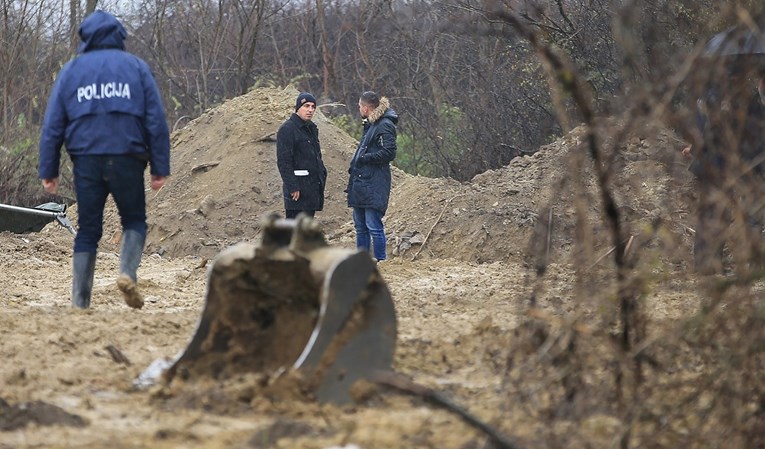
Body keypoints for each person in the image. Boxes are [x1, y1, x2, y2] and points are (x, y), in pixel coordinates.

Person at [38, 10, 170, 309]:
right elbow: (156, 121)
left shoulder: (72, 71)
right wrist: (160, 167)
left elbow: (53, 124)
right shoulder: (136, 67)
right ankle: (126, 272)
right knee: (134, 220)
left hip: (87, 161)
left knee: (88, 230)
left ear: (86, 37)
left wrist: (49, 169)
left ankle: (80, 301)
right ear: (119, 37)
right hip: (128, 158)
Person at [682, 69, 765, 274]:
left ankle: (708, 266)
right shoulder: (745, 100)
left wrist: (692, 149)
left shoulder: (709, 97)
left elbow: (701, 132)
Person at [346, 91, 398, 262]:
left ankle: (381, 260)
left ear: (366, 108)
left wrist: (365, 158)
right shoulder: (371, 124)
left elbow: (389, 152)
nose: (359, 109)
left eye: (360, 106)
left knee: (373, 226)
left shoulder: (384, 125)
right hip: (362, 183)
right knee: (360, 227)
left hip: (374, 183)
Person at [276, 92, 327, 219]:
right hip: (298, 192)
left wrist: (322, 174)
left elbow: (316, 156)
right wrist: (292, 187)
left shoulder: (311, 129)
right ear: (298, 107)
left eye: (313, 107)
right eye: (306, 106)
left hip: (312, 189)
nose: (310, 110)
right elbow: (284, 161)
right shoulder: (287, 129)